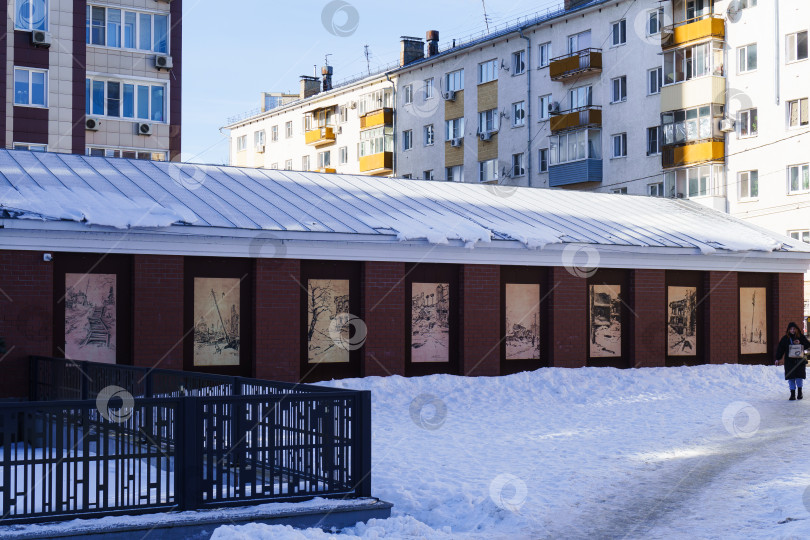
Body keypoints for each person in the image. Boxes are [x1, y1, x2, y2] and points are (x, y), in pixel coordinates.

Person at [775, 322, 810, 400]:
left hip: (799, 361)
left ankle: (800, 393)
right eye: (791, 329)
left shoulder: (801, 337)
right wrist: (777, 358)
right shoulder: (785, 338)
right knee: (791, 377)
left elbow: (808, 345)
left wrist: (800, 343)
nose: (792, 330)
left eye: (794, 329)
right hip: (789, 361)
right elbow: (780, 349)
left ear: (796, 329)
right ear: (788, 330)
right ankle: (792, 394)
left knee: (799, 377)